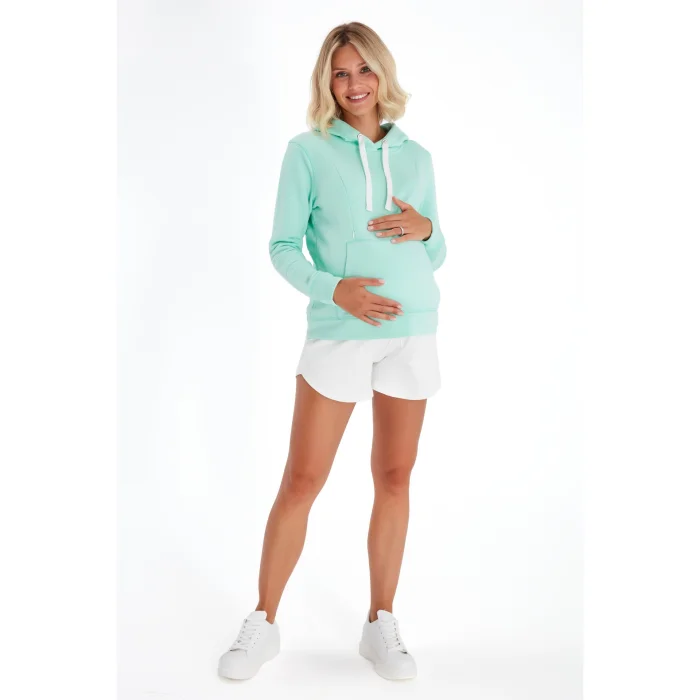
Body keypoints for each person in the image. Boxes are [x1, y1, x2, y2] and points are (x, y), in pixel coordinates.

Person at [218, 21, 447, 682]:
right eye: (341, 73)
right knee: (302, 480)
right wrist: (334, 289)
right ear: (327, 80)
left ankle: (381, 624)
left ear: (383, 73)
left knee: (395, 478)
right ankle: (263, 622)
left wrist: (426, 229)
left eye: (364, 69)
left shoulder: (417, 157)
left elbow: (436, 252)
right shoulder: (307, 152)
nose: (354, 84)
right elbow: (282, 246)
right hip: (340, 331)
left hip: (412, 330)